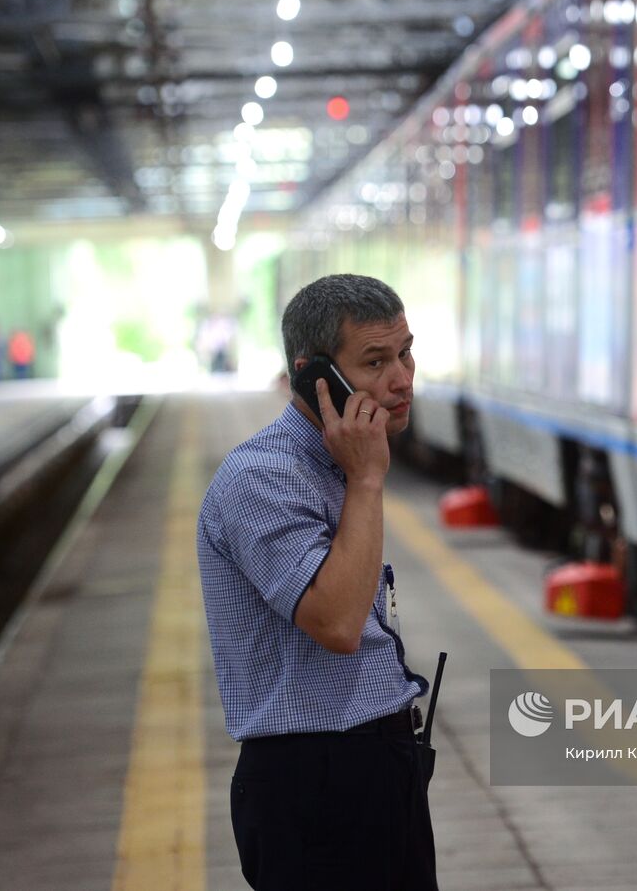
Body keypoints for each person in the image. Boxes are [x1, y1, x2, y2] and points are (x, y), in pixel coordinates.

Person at [197, 274, 437, 890]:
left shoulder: (343, 463)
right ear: (315, 376)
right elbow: (335, 623)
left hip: (383, 767)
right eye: (376, 362)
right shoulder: (263, 480)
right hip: (313, 785)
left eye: (405, 352)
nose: (402, 379)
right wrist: (366, 483)